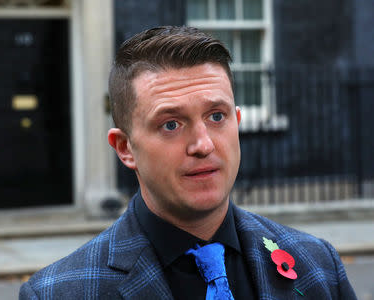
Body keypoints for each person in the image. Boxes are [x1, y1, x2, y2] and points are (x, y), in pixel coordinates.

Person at [19, 26, 356, 300]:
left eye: (216, 116)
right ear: (125, 148)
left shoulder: (319, 267)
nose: (203, 145)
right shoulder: (58, 293)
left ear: (237, 122)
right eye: (171, 124)